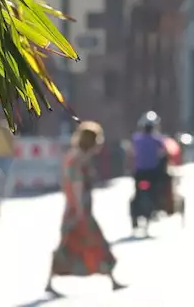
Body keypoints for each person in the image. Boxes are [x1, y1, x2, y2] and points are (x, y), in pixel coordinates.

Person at [46, 121, 123, 295]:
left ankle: (112, 279)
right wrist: (80, 210)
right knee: (92, 244)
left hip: (75, 208)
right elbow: (76, 184)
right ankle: (112, 279)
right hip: (79, 210)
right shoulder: (79, 159)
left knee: (70, 246)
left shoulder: (73, 156)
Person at [131, 111, 169, 193]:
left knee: (137, 191)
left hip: (140, 172)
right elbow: (165, 151)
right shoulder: (157, 139)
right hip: (153, 172)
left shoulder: (136, 139)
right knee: (160, 187)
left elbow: (132, 152)